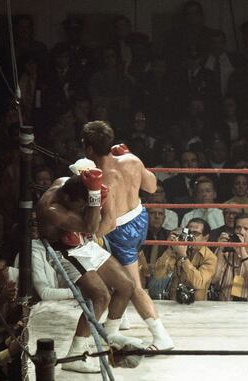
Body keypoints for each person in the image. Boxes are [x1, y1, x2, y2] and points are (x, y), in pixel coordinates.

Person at [36, 167, 140, 373]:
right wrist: (94, 199)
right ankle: (75, 355)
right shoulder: (51, 209)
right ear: (68, 198)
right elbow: (91, 227)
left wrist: (93, 191)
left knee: (126, 286)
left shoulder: (66, 182)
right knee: (100, 296)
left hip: (83, 243)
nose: (82, 206)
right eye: (80, 204)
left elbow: (91, 225)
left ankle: (110, 336)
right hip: (65, 251)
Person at [82, 120, 174, 351]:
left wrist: (87, 239)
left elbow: (110, 222)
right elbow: (152, 187)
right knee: (111, 270)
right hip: (140, 218)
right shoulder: (131, 160)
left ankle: (161, 336)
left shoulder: (102, 177)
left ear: (89, 148)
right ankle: (118, 321)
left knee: (133, 286)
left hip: (120, 230)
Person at [154, 219, 217, 302]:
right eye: (189, 233)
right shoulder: (177, 249)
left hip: (198, 306)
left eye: (196, 234)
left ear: (205, 238)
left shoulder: (210, 257)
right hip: (174, 303)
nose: (191, 237)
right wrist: (170, 249)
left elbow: (198, 283)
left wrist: (183, 257)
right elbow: (159, 274)